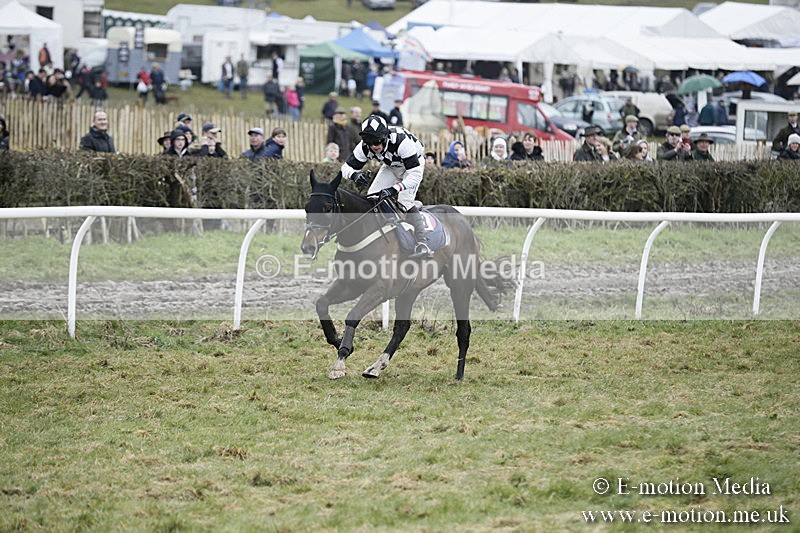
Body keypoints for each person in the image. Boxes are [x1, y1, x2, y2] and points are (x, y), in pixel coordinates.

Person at [340, 114, 432, 258]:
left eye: (377, 141)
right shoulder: (364, 147)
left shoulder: (402, 143)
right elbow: (345, 168)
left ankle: (423, 242)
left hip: (412, 167)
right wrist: (355, 175)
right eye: (369, 142)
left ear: (385, 137)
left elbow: (413, 175)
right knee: (372, 197)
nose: (374, 146)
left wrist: (394, 189)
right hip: (391, 166)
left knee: (404, 202)